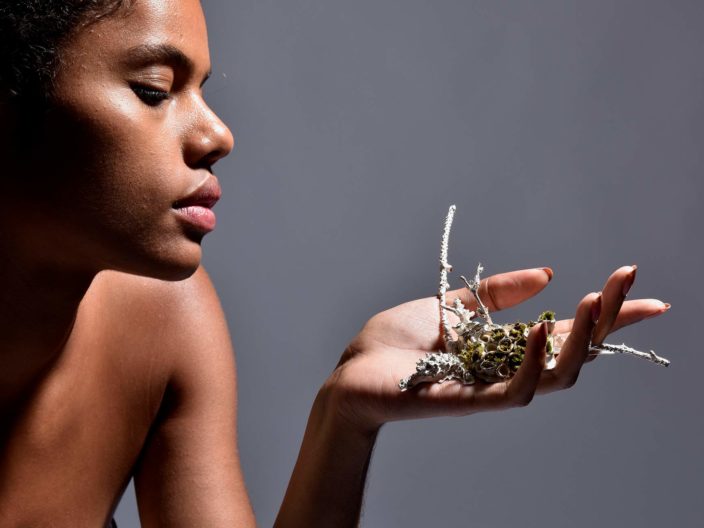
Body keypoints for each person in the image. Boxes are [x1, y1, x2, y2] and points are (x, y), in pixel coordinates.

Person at [0, 0, 669, 526]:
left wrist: (344, 419)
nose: (217, 134)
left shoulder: (164, 323)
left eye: (202, 89)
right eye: (153, 89)